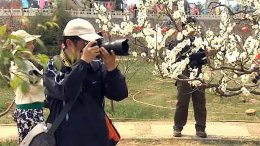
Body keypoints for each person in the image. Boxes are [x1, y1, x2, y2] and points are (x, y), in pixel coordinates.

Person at [43, 18, 128, 146]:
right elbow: (64, 91)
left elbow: (119, 95)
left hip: (97, 140)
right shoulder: (53, 66)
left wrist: (111, 69)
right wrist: (82, 64)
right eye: (86, 43)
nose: (92, 47)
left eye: (94, 42)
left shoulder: (96, 67)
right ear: (69, 43)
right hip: (65, 140)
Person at [172, 17, 208, 138]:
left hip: (198, 72)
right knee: (182, 102)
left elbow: (205, 57)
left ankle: (201, 128)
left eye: (193, 26)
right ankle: (177, 127)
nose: (191, 28)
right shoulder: (180, 40)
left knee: (200, 102)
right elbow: (183, 55)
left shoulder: (200, 40)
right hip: (184, 72)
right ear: (183, 27)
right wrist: (198, 55)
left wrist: (201, 56)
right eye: (188, 26)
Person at [10, 30, 45, 143]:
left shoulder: (25, 63)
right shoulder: (20, 65)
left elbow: (35, 80)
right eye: (30, 43)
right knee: (33, 142)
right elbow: (33, 88)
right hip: (29, 111)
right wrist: (46, 78)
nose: (32, 45)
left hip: (31, 110)